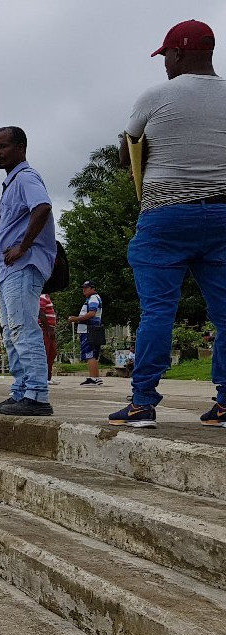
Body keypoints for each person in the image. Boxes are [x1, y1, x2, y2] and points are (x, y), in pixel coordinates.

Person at [111, 21, 226, 427]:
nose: (164, 65)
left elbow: (127, 157)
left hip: (166, 215)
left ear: (177, 54)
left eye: (166, 57)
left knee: (158, 310)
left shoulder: (156, 96)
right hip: (224, 215)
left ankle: (143, 403)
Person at [0, 126, 56, 417]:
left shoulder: (26, 177)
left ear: (21, 147)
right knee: (11, 331)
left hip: (22, 266)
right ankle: (21, 391)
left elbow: (42, 207)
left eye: (3, 146)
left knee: (23, 329)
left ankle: (37, 395)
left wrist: (23, 246)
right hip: (6, 270)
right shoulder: (11, 183)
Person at [69, 281, 104, 386]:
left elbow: (92, 313)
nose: (84, 290)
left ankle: (93, 378)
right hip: (92, 329)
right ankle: (95, 378)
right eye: (83, 288)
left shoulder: (93, 298)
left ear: (92, 288)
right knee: (92, 354)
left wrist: (76, 319)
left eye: (86, 288)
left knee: (90, 354)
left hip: (88, 330)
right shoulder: (92, 298)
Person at [39, 294, 59, 385]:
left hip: (50, 329)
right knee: (45, 353)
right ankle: (43, 377)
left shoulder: (47, 297)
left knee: (52, 353)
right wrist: (48, 328)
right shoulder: (42, 296)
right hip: (44, 329)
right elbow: (40, 312)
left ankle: (48, 377)